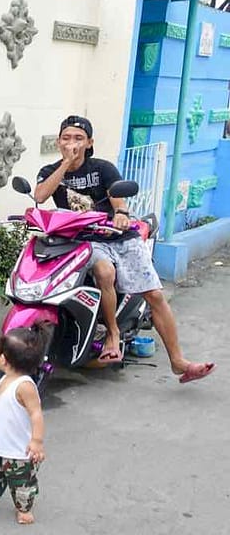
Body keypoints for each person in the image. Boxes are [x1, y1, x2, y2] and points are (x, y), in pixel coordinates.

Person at [35, 115, 215, 382]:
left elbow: (118, 199)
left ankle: (178, 361)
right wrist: (66, 165)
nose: (71, 143)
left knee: (154, 293)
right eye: (66, 137)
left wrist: (120, 212)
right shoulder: (51, 171)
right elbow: (39, 196)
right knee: (104, 272)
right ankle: (112, 333)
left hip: (118, 235)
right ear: (59, 141)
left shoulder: (102, 168)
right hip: (83, 241)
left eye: (78, 138)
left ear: (89, 142)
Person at [0, 324, 48, 525]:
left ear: (3, 359)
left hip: (17, 452)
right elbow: (5, 406)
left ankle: (24, 509)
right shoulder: (5, 379)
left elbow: (36, 414)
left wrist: (37, 441)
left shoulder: (24, 386)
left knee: (22, 482)